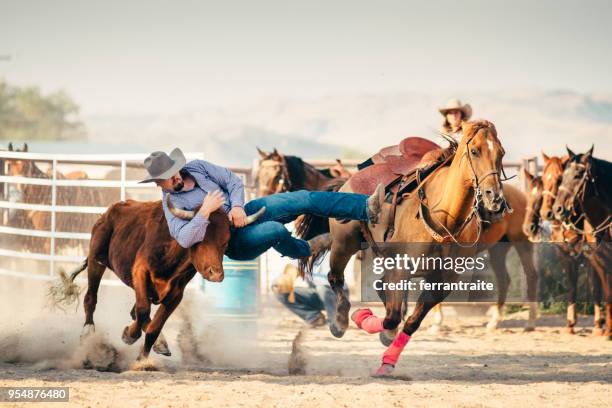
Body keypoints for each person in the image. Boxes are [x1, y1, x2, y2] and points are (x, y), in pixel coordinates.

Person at [140, 148, 384, 261]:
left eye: (174, 172)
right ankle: (306, 250)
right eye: (167, 178)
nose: (175, 178)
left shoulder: (197, 168)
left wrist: (236, 207)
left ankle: (367, 207)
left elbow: (232, 181)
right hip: (233, 242)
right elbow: (184, 239)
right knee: (276, 231)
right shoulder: (171, 204)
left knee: (304, 198)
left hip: (245, 212)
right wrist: (204, 210)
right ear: (158, 184)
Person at [272, 253, 348, 328]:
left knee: (323, 288)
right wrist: (281, 283)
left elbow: (328, 283)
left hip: (338, 295)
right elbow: (291, 272)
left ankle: (336, 321)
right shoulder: (302, 258)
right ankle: (315, 318)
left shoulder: (330, 256)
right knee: (283, 293)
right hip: (318, 294)